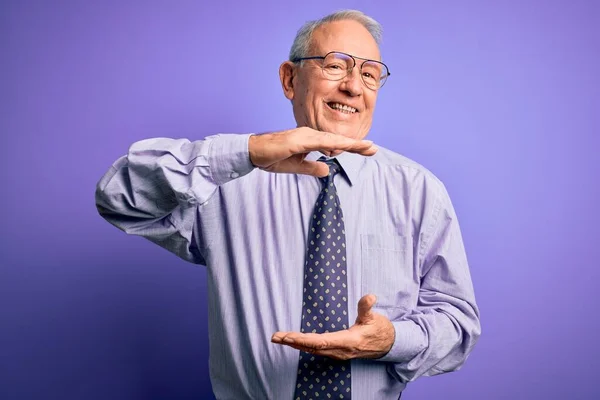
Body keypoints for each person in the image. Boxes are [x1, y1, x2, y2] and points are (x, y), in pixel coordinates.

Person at [95, 9, 481, 400]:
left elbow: (458, 324)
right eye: (336, 65)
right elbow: (118, 198)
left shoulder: (419, 191)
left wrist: (391, 339)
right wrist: (246, 151)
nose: (353, 87)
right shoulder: (224, 183)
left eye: (369, 74)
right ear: (289, 79)